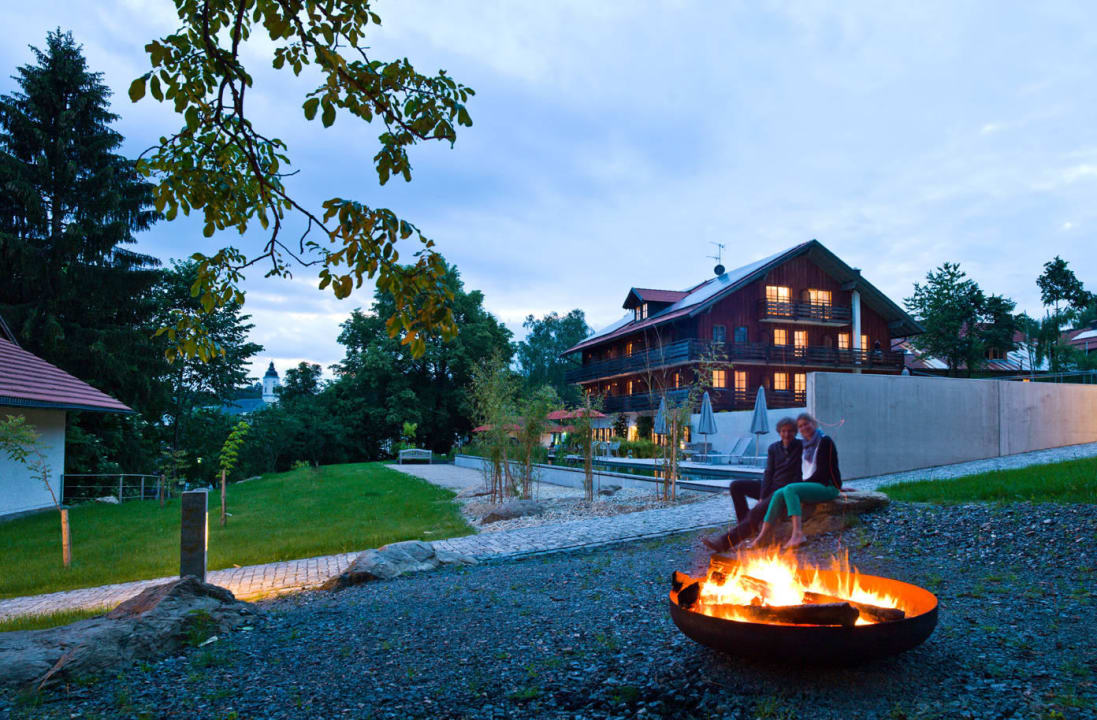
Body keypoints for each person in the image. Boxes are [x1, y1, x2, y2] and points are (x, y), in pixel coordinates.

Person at [700, 417, 802, 552]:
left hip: (784, 490)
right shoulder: (774, 448)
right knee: (736, 486)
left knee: (756, 512)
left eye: (790, 431)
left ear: (795, 432)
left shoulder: (800, 446)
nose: (787, 434)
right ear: (779, 432)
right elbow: (768, 472)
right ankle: (746, 525)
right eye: (783, 431)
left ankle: (724, 543)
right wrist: (762, 495)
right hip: (772, 486)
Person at [745, 412, 842, 550]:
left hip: (827, 486)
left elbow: (823, 472)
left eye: (806, 424)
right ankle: (762, 536)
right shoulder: (807, 445)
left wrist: (839, 487)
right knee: (779, 493)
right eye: (800, 426)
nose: (804, 428)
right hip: (814, 485)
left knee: (790, 488)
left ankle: (798, 534)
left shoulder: (824, 441)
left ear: (813, 424)